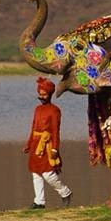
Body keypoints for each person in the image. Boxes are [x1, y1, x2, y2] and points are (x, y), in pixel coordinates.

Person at [23, 77, 72, 209]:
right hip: (35, 145)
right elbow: (33, 128)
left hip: (48, 146)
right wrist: (28, 144)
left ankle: (65, 192)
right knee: (36, 173)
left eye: (44, 94)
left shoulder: (54, 110)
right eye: (40, 94)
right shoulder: (37, 109)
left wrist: (55, 149)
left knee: (48, 174)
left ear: (50, 94)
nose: (41, 96)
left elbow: (56, 131)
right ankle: (39, 201)